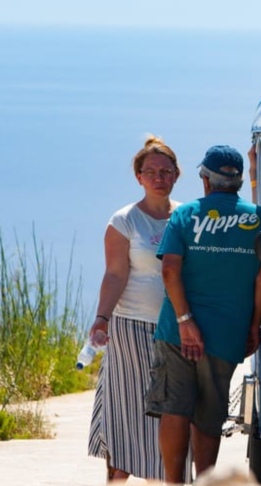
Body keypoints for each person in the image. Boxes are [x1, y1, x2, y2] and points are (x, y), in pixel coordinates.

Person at [145, 145, 261, 483]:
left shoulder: (185, 215)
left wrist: (186, 322)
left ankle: (174, 483)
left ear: (205, 180)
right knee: (210, 413)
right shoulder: (258, 217)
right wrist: (254, 324)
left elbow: (170, 271)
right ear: (237, 183)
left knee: (174, 407)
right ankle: (206, 481)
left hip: (176, 331)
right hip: (227, 331)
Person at [86, 135, 192, 483]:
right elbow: (115, 274)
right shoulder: (125, 220)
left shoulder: (189, 218)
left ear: (177, 174)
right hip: (131, 328)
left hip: (177, 328)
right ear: (139, 177)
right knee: (129, 415)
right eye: (151, 171)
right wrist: (102, 319)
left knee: (174, 414)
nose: (159, 177)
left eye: (166, 170)